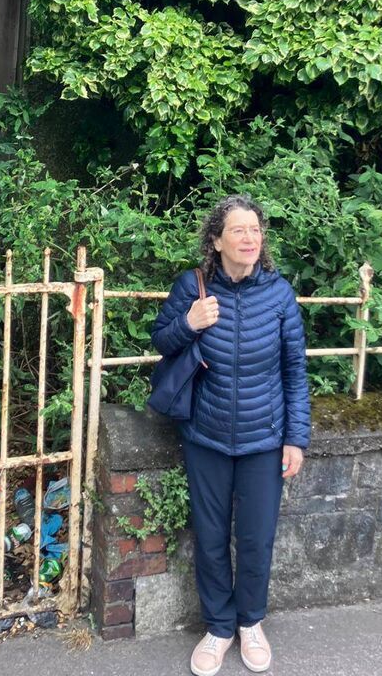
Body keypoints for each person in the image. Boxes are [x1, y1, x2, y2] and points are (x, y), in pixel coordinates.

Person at [151, 195, 310, 675]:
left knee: (257, 538)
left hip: (265, 438)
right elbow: (161, 340)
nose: (249, 238)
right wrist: (188, 322)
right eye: (238, 230)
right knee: (212, 537)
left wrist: (295, 438)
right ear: (217, 241)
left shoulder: (279, 294)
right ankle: (219, 628)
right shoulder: (192, 287)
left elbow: (294, 370)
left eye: (255, 230)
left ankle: (251, 623)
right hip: (207, 435)